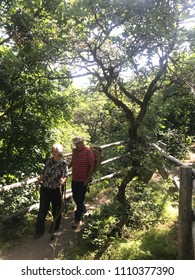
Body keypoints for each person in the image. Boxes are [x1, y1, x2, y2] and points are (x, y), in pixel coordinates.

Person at [34, 143, 68, 239]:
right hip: (45, 188)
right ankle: (39, 231)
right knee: (42, 210)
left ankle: (55, 227)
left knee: (55, 210)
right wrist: (39, 180)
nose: (54, 153)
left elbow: (65, 175)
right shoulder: (48, 161)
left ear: (59, 152)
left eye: (56, 152)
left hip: (55, 189)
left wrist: (62, 181)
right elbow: (44, 173)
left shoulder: (63, 163)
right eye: (53, 151)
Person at [71, 136, 95, 229]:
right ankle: (83, 209)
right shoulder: (75, 151)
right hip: (74, 178)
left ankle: (77, 220)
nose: (77, 145)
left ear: (82, 142)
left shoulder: (88, 152)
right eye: (75, 144)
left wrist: (88, 178)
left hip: (83, 179)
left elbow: (92, 165)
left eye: (78, 143)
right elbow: (73, 161)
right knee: (75, 197)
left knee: (80, 199)